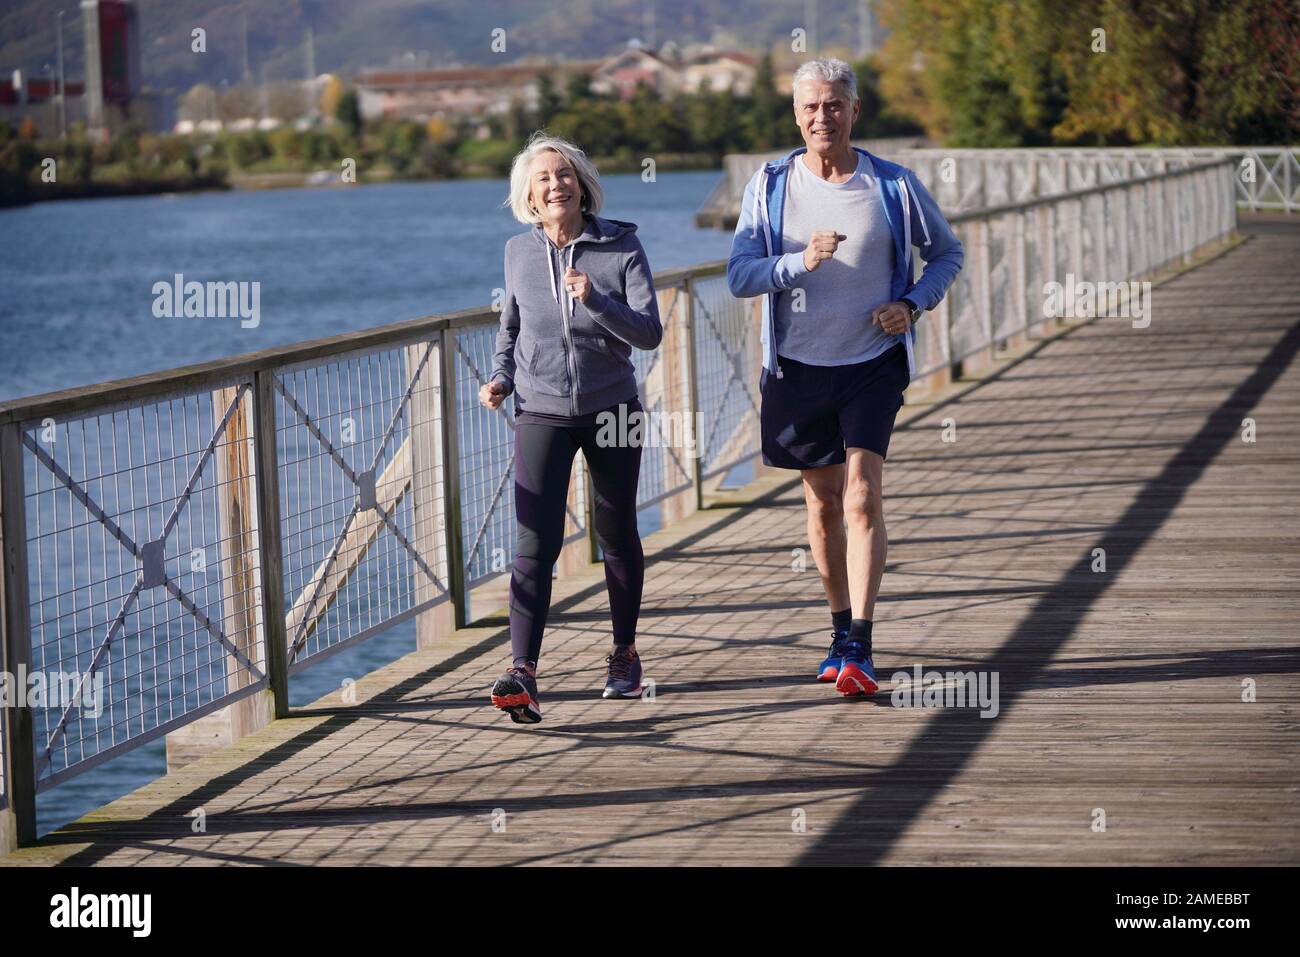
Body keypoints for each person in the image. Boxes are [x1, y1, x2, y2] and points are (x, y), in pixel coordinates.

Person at [726, 58, 964, 697]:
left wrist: (911, 304)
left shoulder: (893, 185)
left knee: (862, 495)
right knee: (823, 504)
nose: (821, 117)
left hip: (871, 365)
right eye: (810, 107)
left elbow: (947, 254)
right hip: (798, 368)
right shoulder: (771, 186)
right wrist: (798, 262)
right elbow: (740, 274)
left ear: (854, 112)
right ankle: (837, 631)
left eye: (833, 105)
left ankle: (860, 640)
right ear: (796, 115)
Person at [481, 131, 663, 724]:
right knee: (536, 541)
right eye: (542, 178)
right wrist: (501, 379)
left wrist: (597, 302)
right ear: (528, 194)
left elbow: (649, 332)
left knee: (616, 531)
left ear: (582, 185)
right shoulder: (517, 252)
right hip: (541, 409)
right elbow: (511, 330)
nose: (554, 184)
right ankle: (523, 673)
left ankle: (623, 655)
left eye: (563, 175)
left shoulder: (622, 247)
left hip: (611, 408)